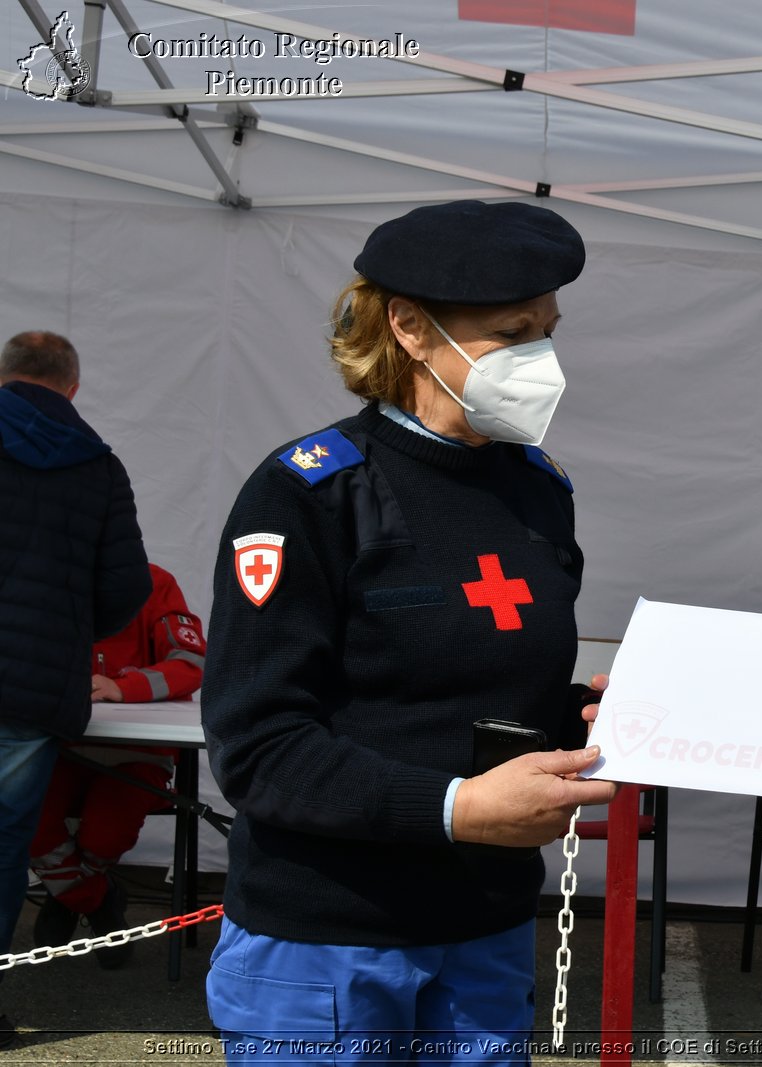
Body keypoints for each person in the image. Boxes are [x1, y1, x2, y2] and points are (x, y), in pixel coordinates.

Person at [201, 200, 617, 1065]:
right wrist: (456, 807)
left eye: (549, 329)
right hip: (326, 942)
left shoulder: (541, 489)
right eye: (512, 331)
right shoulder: (308, 494)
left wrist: (591, 715)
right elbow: (260, 746)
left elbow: (487, 694)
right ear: (410, 329)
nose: (542, 357)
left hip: (484, 933)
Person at [0, 331, 150, 1042]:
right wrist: (63, 628)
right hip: (28, 688)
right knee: (2, 845)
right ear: (73, 388)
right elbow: (127, 588)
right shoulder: (97, 464)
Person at [29, 562, 206, 969]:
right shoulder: (40, 580)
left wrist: (122, 688)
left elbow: (191, 662)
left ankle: (67, 893)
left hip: (136, 750)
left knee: (107, 829)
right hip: (59, 746)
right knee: (25, 819)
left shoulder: (155, 582)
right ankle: (95, 897)